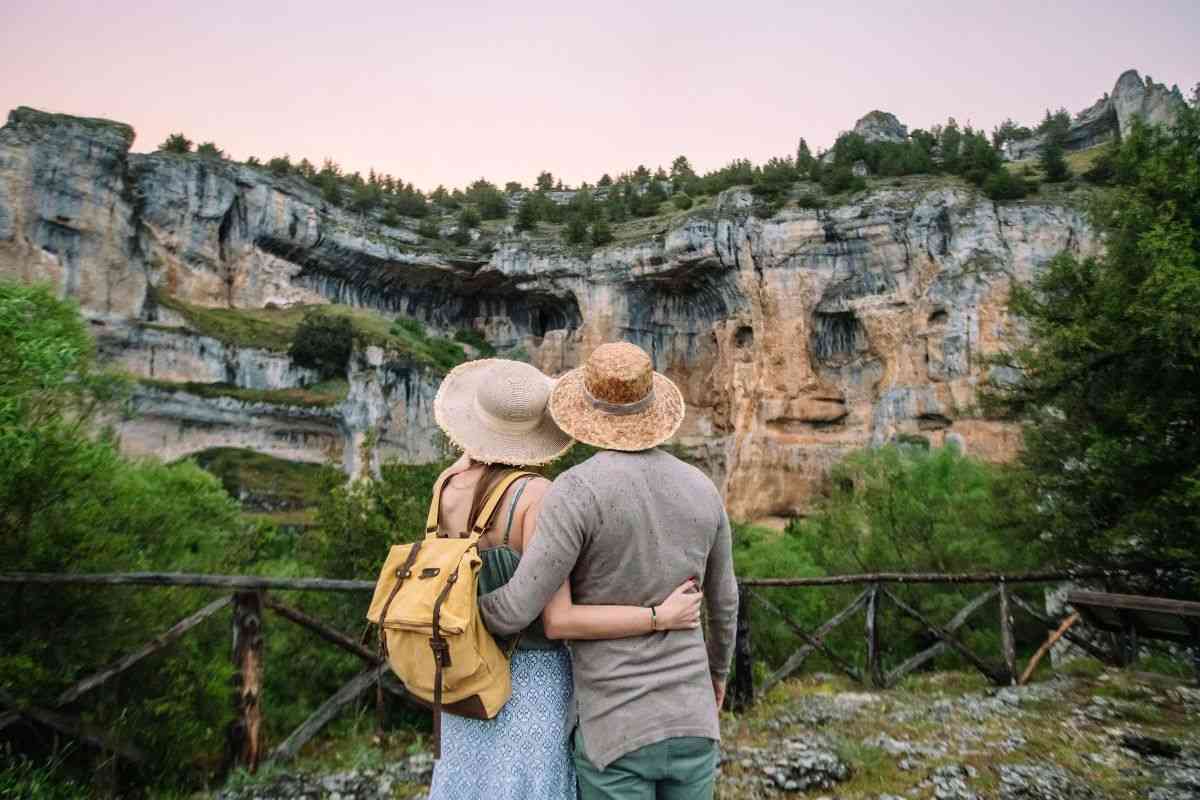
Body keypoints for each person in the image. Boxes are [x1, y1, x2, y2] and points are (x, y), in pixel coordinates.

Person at [426, 357, 704, 800]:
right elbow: (560, 620)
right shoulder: (538, 496)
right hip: (528, 679)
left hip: (463, 668)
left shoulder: (446, 483)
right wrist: (657, 616)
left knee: (474, 784)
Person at [480, 341, 739, 800]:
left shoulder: (575, 491)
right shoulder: (703, 488)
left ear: (586, 413)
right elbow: (724, 604)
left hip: (615, 728)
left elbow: (518, 607)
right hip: (692, 718)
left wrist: (465, 606)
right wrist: (717, 677)